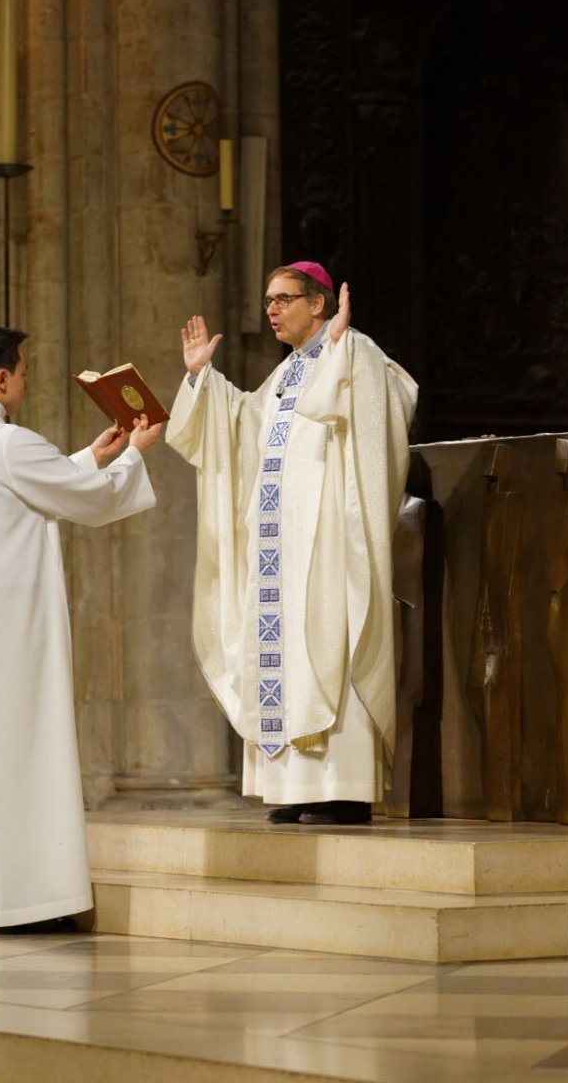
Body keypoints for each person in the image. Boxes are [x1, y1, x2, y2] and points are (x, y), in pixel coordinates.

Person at [166, 262, 417, 825]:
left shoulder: (356, 354)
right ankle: (297, 790)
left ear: (319, 304)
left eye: (284, 299)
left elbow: (382, 410)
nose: (272, 309)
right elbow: (240, 429)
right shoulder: (282, 375)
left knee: (330, 635)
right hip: (278, 546)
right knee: (282, 653)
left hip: (329, 542)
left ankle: (343, 790)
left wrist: (341, 350)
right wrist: (202, 381)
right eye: (268, 301)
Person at [0, 325, 160, 931]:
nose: (26, 384)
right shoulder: (3, 443)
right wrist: (138, 452)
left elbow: (42, 484)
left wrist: (95, 455)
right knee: (28, 750)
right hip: (16, 628)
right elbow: (84, 501)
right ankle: (30, 904)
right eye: (24, 373)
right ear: (2, 378)